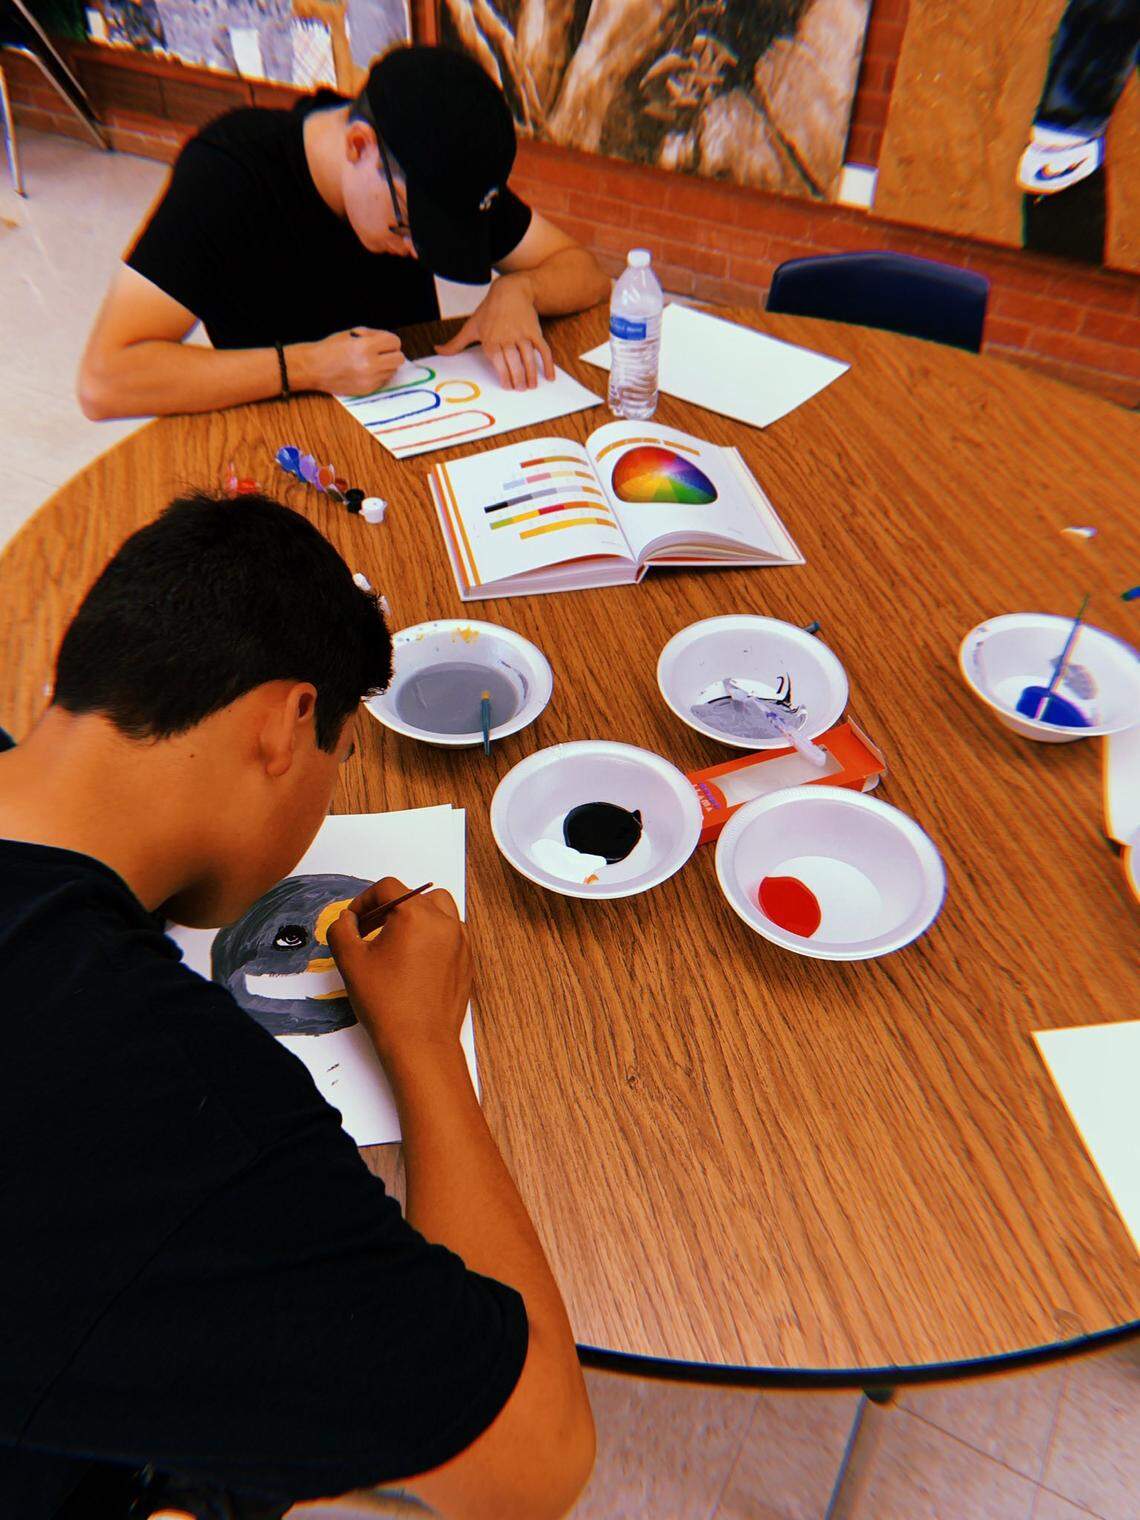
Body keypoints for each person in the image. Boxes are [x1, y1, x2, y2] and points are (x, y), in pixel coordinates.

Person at [0, 494, 595, 1520]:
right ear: (288, 722)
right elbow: (535, 1464)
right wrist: (425, 1049)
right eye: (341, 758)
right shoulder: (170, 1095)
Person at [78, 46, 609, 419]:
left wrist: (520, 289)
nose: (415, 251)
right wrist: (304, 367)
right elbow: (104, 381)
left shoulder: (438, 169)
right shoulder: (229, 176)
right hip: (283, 445)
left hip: (412, 422)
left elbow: (583, 271)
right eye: (408, 228)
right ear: (359, 147)